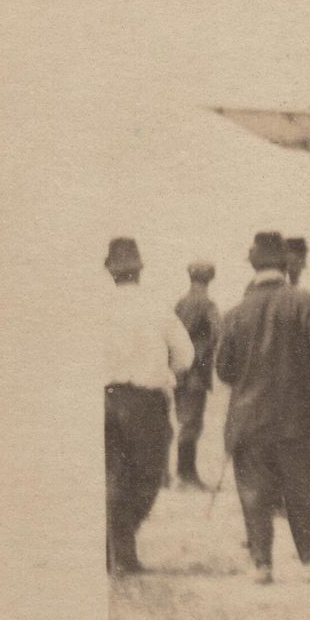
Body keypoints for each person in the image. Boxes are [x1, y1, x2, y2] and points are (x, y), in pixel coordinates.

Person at [213, 230, 310, 584]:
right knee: (307, 491)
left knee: (254, 493)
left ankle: (262, 565)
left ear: (253, 265)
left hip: (248, 420)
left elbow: (223, 370)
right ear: (285, 264)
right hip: (297, 420)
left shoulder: (235, 313)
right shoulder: (305, 302)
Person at [103, 237, 196, 575]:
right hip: (144, 403)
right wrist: (164, 369)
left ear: (109, 270)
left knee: (112, 476)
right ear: (140, 269)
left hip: (104, 400)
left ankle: (115, 548)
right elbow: (185, 357)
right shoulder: (157, 307)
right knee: (147, 477)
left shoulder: (96, 309)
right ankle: (122, 549)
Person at [171, 260, 219, 487]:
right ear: (209, 279)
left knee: (183, 421)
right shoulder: (207, 304)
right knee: (192, 423)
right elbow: (218, 332)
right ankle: (186, 474)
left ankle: (181, 473)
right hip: (197, 372)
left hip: (178, 372)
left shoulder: (180, 303)